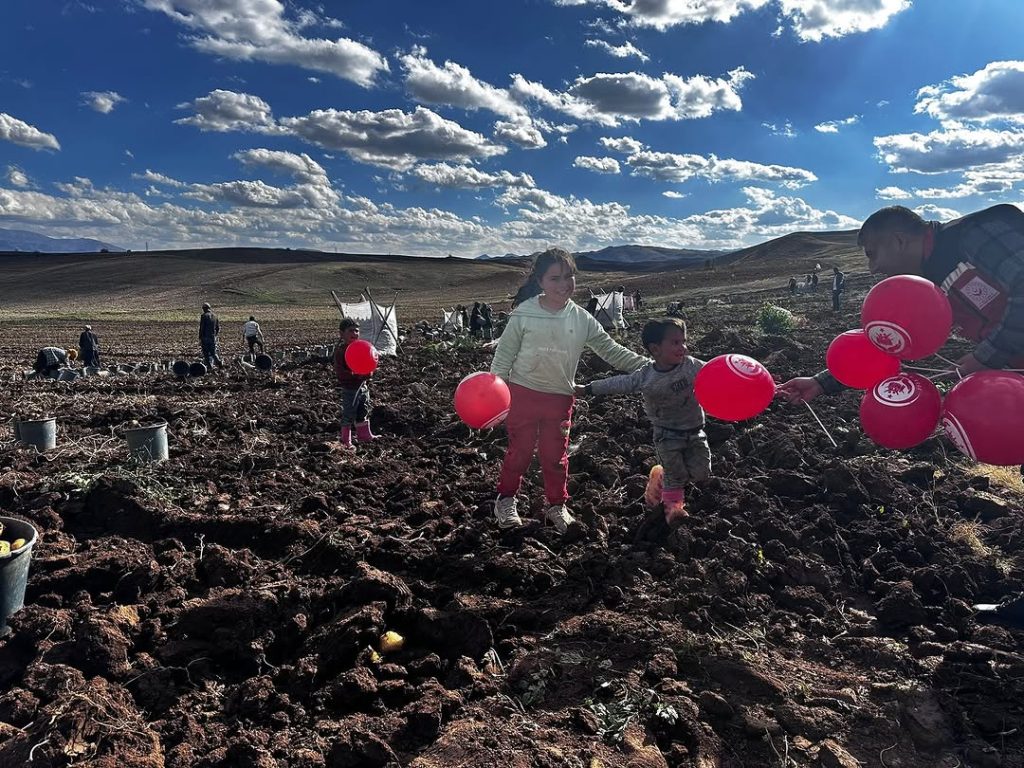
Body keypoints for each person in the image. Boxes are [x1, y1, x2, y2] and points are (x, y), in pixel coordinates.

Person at [778, 203, 1024, 629]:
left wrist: (983, 358)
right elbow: (890, 348)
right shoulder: (928, 285)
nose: (872, 269)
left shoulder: (976, 234)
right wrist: (822, 382)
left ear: (899, 240)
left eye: (873, 254)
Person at [489, 248, 647, 533]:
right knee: (520, 452)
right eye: (555, 278)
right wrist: (496, 400)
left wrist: (649, 365)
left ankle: (556, 505)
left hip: (560, 399)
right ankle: (506, 499)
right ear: (540, 281)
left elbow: (611, 351)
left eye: (569, 276)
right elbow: (502, 359)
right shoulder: (524, 314)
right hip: (522, 395)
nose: (564, 284)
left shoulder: (582, 319)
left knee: (555, 457)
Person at [577, 318, 709, 523]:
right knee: (676, 475)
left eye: (683, 341)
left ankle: (661, 477)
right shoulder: (646, 376)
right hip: (667, 434)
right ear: (655, 349)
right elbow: (619, 383)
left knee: (702, 472)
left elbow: (715, 373)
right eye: (675, 342)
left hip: (695, 429)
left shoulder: (691, 365)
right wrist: (588, 389)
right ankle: (673, 510)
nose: (683, 347)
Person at [333, 318, 377, 447]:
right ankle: (346, 440)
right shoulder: (340, 352)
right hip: (350, 389)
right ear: (342, 334)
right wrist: (356, 375)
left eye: (356, 331)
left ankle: (364, 435)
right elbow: (341, 372)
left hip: (362, 386)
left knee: (363, 410)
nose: (354, 333)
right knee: (349, 413)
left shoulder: (362, 348)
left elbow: (369, 363)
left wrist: (369, 373)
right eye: (351, 331)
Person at [199, 303, 223, 370]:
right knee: (213, 352)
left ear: (204, 309)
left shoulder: (204, 316)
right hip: (212, 337)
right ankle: (219, 362)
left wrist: (200, 337)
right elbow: (218, 328)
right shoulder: (215, 316)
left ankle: (210, 367)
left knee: (206, 353)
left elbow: (202, 327)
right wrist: (215, 335)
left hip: (205, 337)